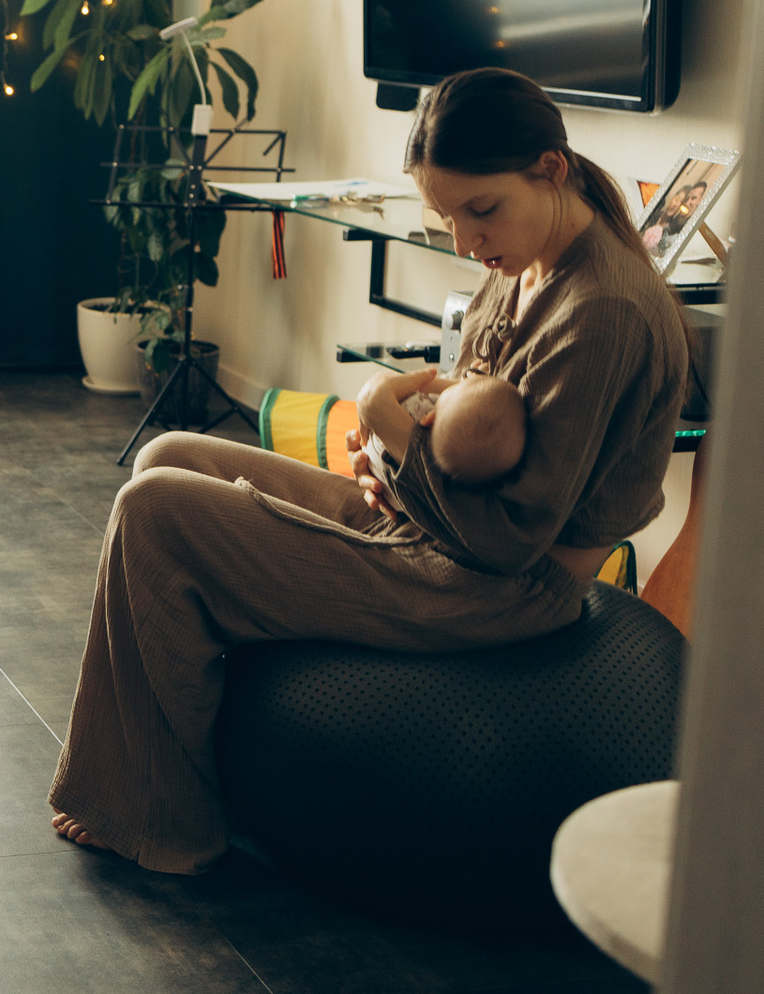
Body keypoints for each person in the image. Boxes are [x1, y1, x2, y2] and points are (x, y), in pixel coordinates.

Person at [46, 67, 688, 874]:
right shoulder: (526, 262)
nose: (465, 242)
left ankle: (169, 823)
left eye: (480, 211)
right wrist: (387, 458)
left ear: (550, 170)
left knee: (157, 512)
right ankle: (155, 775)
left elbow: (509, 545)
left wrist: (390, 431)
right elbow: (462, 427)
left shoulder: (602, 313)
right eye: (447, 218)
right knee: (165, 456)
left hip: (501, 591)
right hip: (438, 532)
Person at [360, 372, 528, 510]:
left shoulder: (421, 408)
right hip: (394, 501)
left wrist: (454, 382)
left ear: (430, 418)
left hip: (372, 457)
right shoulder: (458, 466)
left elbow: (405, 387)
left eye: (461, 385)